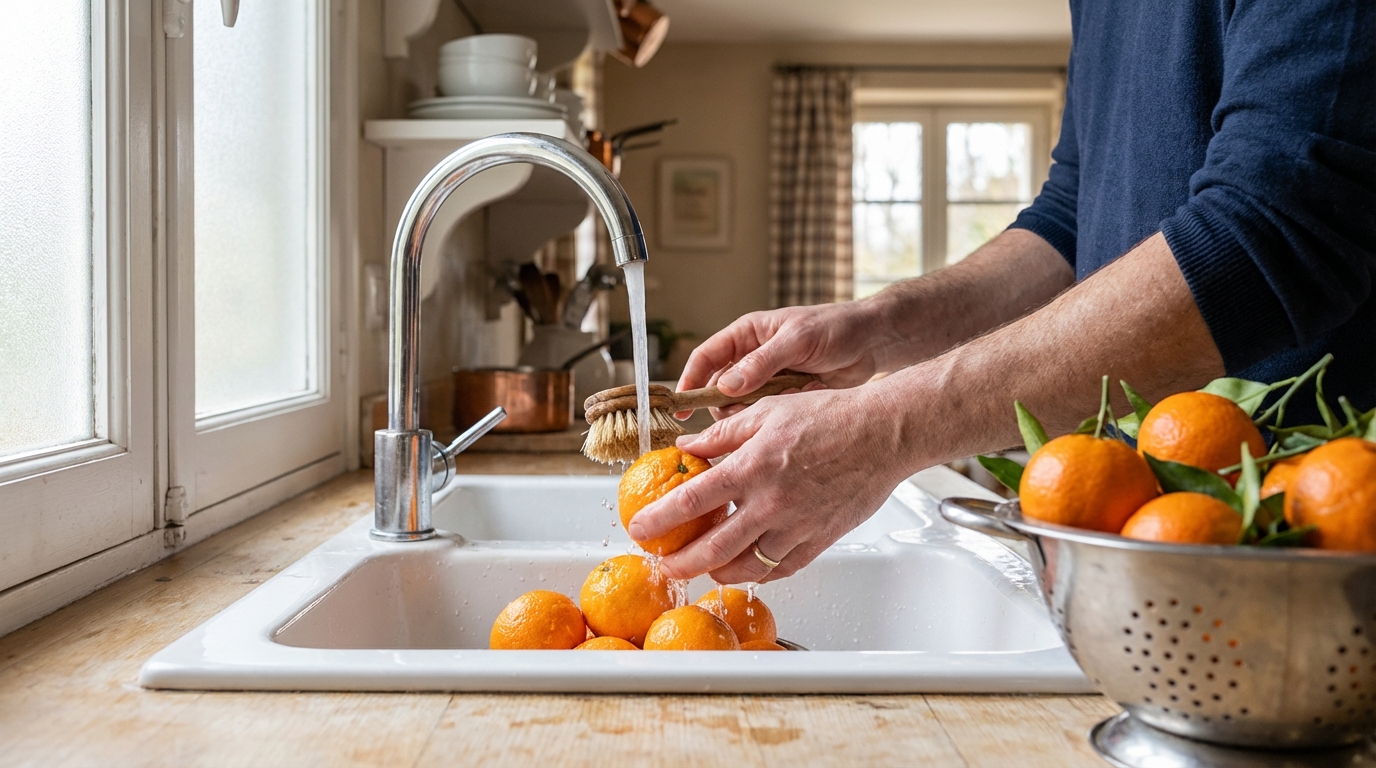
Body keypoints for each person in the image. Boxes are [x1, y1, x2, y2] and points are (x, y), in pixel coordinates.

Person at [627, 0, 1376, 585]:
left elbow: (1274, 231)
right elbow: (1072, 219)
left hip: (1314, 549)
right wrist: (878, 326)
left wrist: (884, 427)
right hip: (1129, 538)